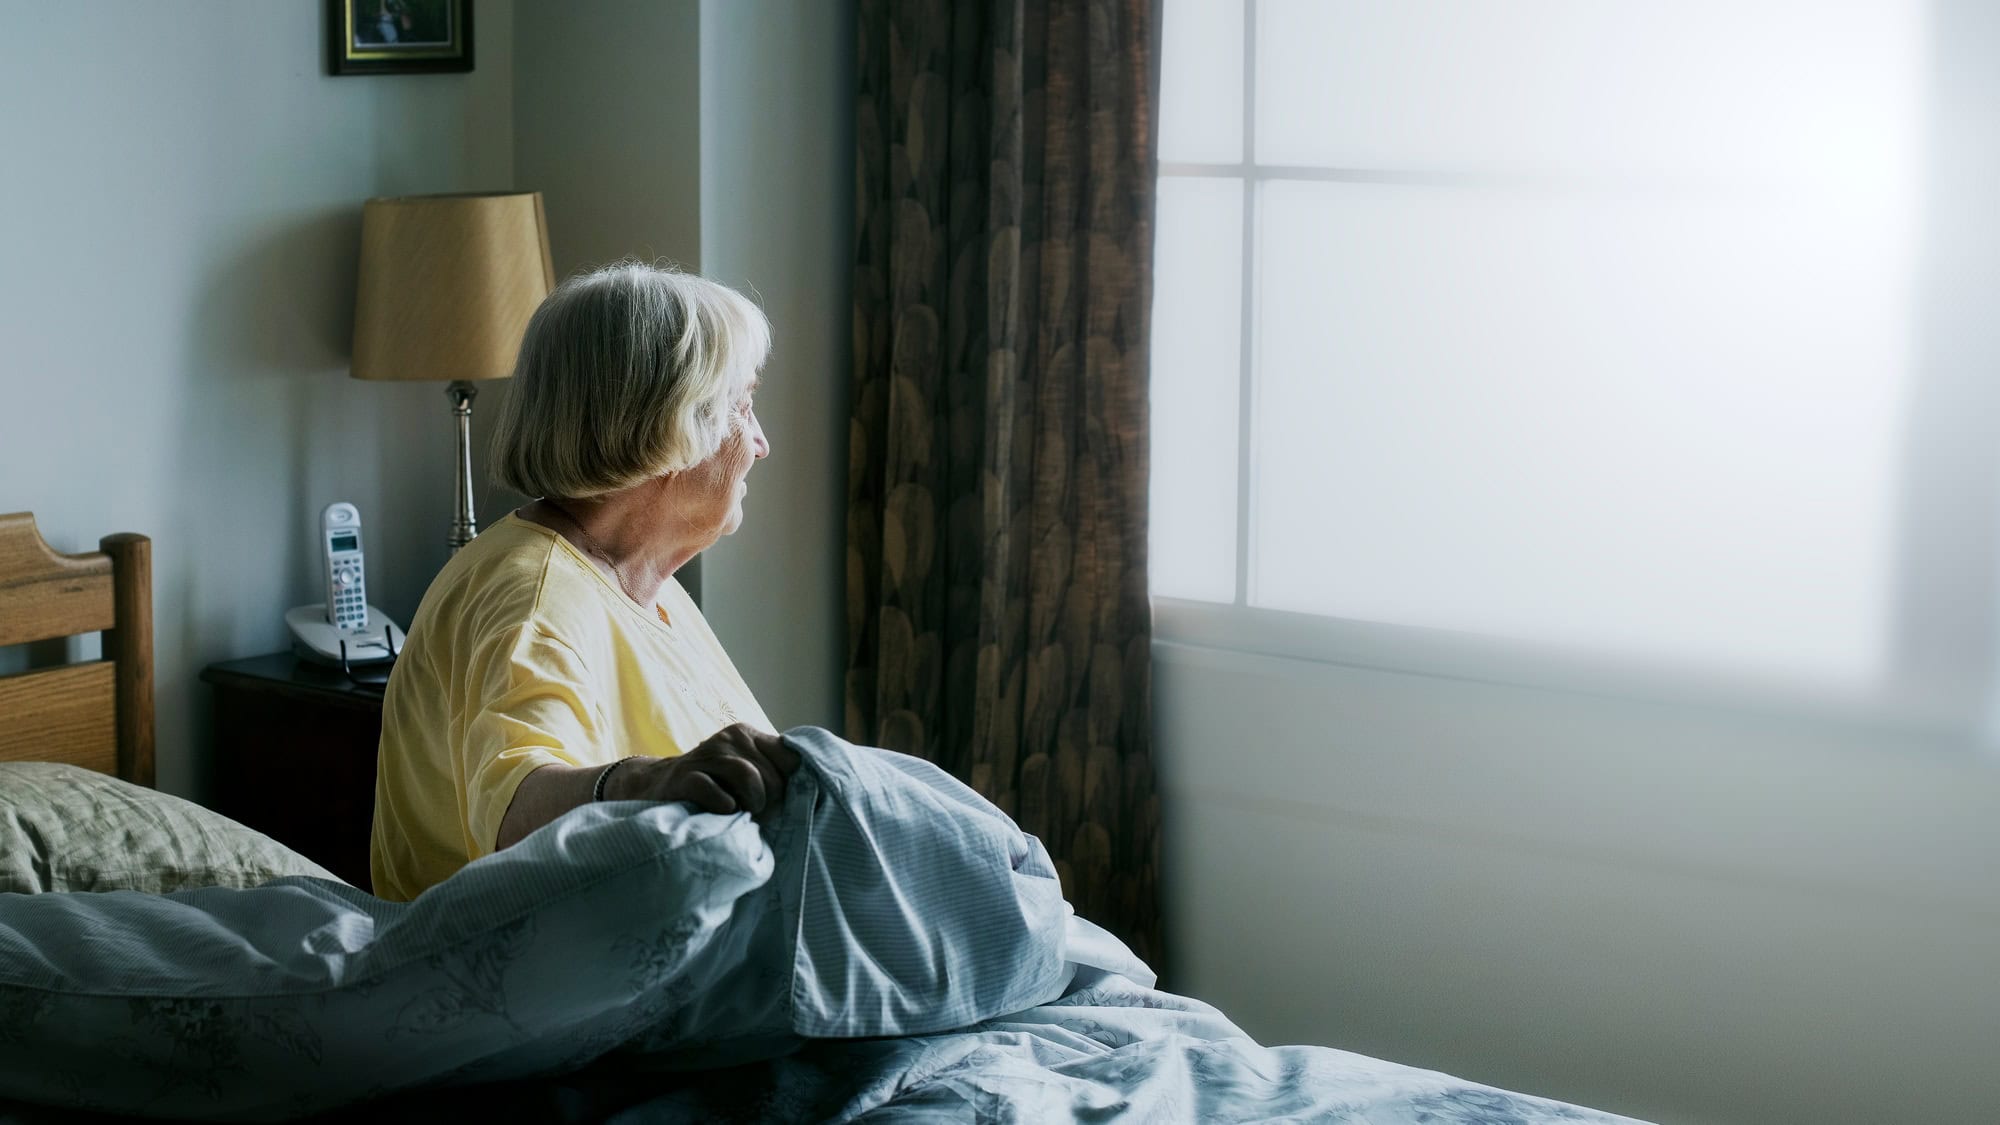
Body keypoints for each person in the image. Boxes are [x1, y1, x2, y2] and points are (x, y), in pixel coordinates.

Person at [369, 263, 801, 902]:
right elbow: (515, 814)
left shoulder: (643, 583)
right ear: (671, 421)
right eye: (744, 404)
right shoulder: (533, 596)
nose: (761, 443)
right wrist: (649, 784)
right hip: (519, 959)